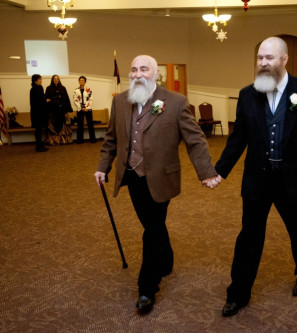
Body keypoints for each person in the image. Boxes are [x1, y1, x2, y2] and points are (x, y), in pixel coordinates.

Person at [214, 37, 297, 317]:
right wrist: (219, 171)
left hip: (293, 179)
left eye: (269, 58)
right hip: (257, 180)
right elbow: (238, 138)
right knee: (249, 235)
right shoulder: (248, 94)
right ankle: (238, 292)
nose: (263, 63)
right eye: (260, 58)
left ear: (284, 59)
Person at [94, 55, 221, 314]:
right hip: (131, 176)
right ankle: (167, 257)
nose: (138, 74)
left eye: (144, 69)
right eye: (134, 69)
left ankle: (147, 288)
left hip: (162, 177)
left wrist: (206, 171)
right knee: (153, 224)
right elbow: (111, 139)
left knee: (151, 229)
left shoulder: (175, 102)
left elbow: (195, 139)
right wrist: (102, 167)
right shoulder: (119, 101)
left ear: (155, 75)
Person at [45, 75, 73, 145]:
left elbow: (66, 98)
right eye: (55, 79)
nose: (56, 80)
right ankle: (54, 141)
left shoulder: (63, 88)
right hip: (53, 110)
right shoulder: (48, 88)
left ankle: (63, 140)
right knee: (53, 126)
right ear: (52, 80)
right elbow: (46, 99)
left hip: (62, 110)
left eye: (57, 79)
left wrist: (68, 108)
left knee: (62, 125)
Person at [73, 76, 96, 144]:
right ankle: (80, 140)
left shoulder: (88, 90)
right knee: (80, 125)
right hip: (80, 109)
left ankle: (92, 139)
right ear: (78, 81)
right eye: (80, 80)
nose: (81, 82)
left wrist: (86, 108)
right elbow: (75, 100)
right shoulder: (76, 90)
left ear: (85, 82)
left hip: (88, 109)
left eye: (83, 80)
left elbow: (90, 99)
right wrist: (81, 108)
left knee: (90, 124)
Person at [29, 74, 49, 152]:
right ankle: (38, 146)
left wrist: (44, 100)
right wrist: (45, 101)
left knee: (40, 130)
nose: (41, 80)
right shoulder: (33, 89)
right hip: (37, 113)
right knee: (38, 130)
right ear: (35, 81)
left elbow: (42, 98)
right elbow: (35, 102)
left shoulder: (40, 88)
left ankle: (40, 145)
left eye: (41, 79)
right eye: (39, 79)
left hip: (41, 112)